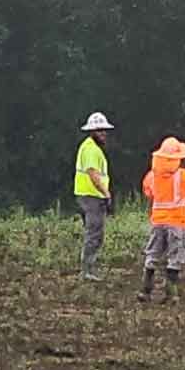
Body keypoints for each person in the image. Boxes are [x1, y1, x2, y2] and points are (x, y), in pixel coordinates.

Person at [139, 136, 185, 302]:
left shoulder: (151, 176)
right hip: (177, 222)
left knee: (153, 254)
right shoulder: (183, 175)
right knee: (175, 256)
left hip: (157, 221)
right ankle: (171, 294)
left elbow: (148, 192)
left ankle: (145, 290)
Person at [74, 112, 115, 280]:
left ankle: (88, 269)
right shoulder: (91, 149)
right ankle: (87, 271)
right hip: (92, 196)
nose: (103, 133)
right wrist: (106, 193)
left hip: (87, 195)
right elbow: (93, 174)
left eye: (104, 130)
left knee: (93, 233)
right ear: (92, 132)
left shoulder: (89, 147)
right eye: (99, 130)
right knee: (95, 233)